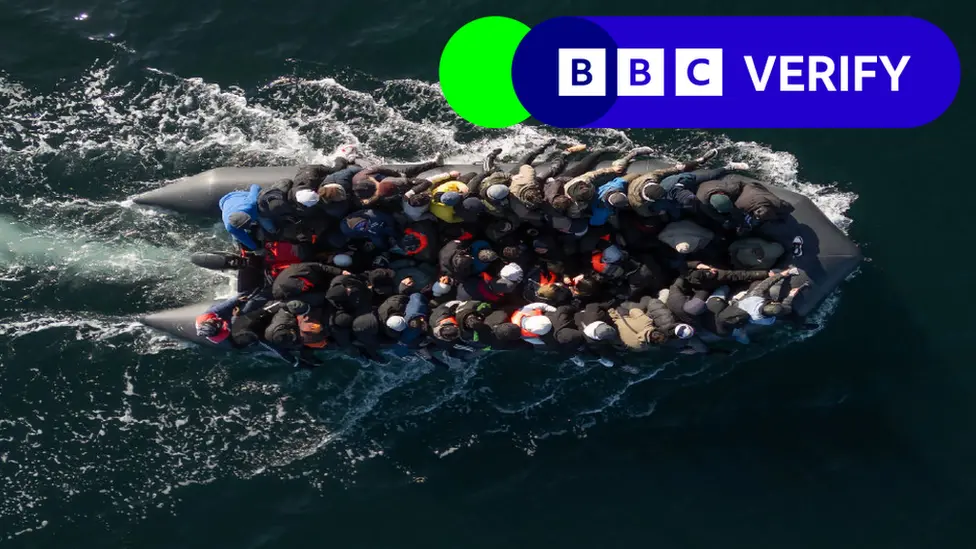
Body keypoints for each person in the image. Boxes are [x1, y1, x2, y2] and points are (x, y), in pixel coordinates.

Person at [716, 268, 807, 341]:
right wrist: (791, 295)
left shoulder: (755, 296)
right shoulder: (766, 320)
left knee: (756, 284)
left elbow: (766, 283)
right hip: (749, 311)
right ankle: (800, 325)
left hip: (743, 305)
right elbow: (786, 308)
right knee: (789, 314)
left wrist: (782, 274)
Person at [220, 184, 277, 251]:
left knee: (271, 229)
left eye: (249, 222)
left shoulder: (251, 204)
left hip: (239, 196)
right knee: (237, 239)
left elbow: (255, 186)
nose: (250, 225)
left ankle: (273, 233)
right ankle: (238, 247)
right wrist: (256, 249)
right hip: (224, 202)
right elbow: (243, 238)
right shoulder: (230, 227)